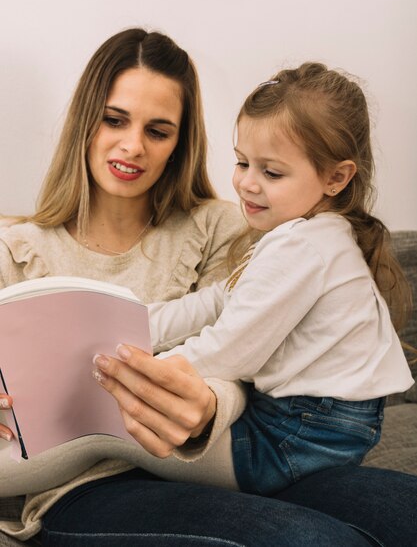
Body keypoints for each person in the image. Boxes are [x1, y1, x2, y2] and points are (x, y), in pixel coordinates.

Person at [0, 34, 415, 547]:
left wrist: (203, 406)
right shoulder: (13, 248)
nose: (132, 146)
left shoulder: (234, 227)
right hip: (84, 486)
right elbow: (213, 313)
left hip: (216, 447)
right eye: (114, 119)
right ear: (85, 119)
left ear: (182, 140)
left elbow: (236, 353)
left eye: (158, 130)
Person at [92, 62, 413, 496]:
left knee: (105, 433)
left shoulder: (305, 247)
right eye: (243, 162)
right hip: (315, 424)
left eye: (272, 172)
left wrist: (129, 374)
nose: (246, 183)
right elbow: (207, 305)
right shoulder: (302, 236)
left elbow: (229, 350)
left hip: (300, 433)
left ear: (337, 177)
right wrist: (123, 327)